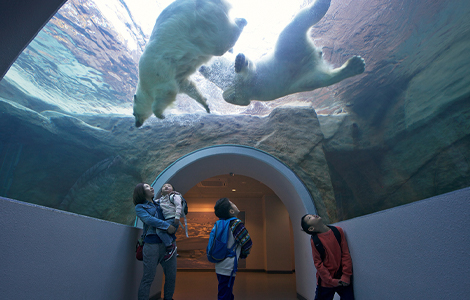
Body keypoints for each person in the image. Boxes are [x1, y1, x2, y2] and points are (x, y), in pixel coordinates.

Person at [133, 182, 177, 300]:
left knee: (171, 276)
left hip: (169, 244)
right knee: (148, 278)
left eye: (150, 185)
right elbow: (148, 219)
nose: (151, 187)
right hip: (151, 244)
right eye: (146, 187)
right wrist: (166, 226)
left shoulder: (161, 202)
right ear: (141, 192)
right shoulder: (140, 207)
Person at [301, 214, 355, 300]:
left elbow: (345, 254)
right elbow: (318, 264)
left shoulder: (337, 231)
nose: (313, 215)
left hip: (342, 280)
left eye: (312, 215)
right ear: (311, 229)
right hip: (325, 283)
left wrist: (346, 276)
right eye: (309, 218)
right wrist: (330, 280)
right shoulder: (315, 241)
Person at [213, 197, 252, 300]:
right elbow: (247, 242)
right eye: (232, 203)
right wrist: (243, 255)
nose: (235, 204)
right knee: (225, 294)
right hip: (229, 266)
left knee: (226, 292)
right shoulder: (236, 223)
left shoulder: (219, 224)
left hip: (220, 264)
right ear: (231, 211)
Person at [154, 183, 182, 261]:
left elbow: (178, 205)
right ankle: (172, 249)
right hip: (167, 219)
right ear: (161, 192)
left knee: (159, 230)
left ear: (173, 190)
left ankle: (170, 247)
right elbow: (152, 202)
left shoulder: (174, 196)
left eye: (169, 186)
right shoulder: (160, 200)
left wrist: (177, 217)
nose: (166, 186)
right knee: (167, 234)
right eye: (164, 186)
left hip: (173, 218)